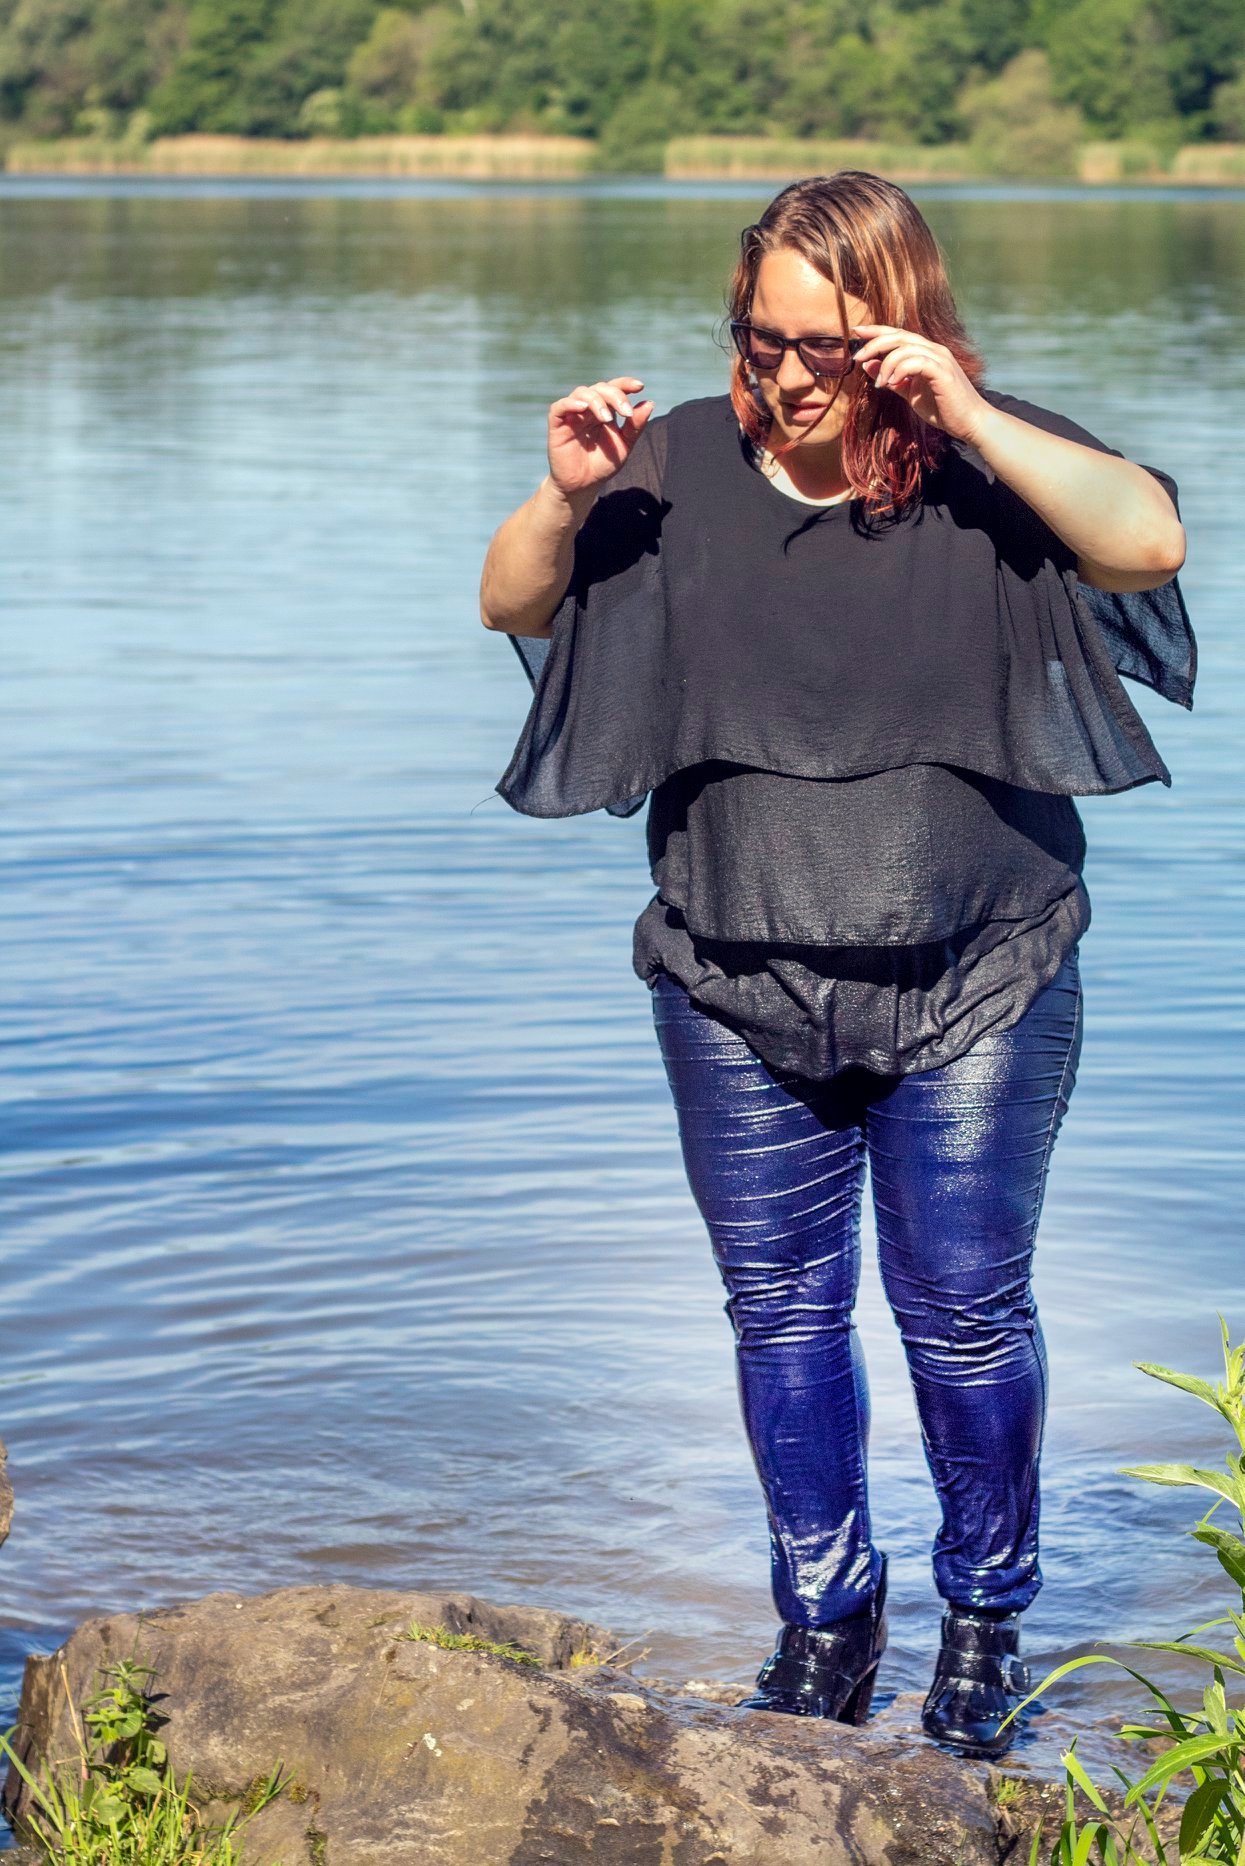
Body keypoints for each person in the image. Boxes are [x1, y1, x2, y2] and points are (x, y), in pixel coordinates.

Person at [477, 170, 1194, 1760]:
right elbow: (509, 601)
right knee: (779, 1314)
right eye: (761, 338)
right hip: (728, 978)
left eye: (825, 344)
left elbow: (1148, 545)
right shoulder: (666, 467)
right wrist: (562, 493)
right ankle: (824, 1620)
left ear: (898, 325)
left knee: (963, 1314)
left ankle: (983, 1625)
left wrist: (970, 414)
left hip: (977, 978)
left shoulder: (991, 465)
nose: (788, 373)